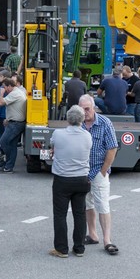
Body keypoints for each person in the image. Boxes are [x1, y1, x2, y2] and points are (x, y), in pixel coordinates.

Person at [49, 105, 91, 258]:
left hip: (63, 179)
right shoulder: (87, 136)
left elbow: (53, 145)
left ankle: (62, 249)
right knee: (80, 214)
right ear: (82, 119)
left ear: (67, 118)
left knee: (60, 214)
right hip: (82, 179)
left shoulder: (58, 134)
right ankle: (79, 248)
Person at [80, 95, 119, 255]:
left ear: (94, 107)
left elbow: (112, 148)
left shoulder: (104, 123)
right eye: (81, 109)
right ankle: (93, 234)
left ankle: (107, 240)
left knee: (102, 204)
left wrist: (104, 170)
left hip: (98, 170)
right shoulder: (78, 123)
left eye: (87, 109)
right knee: (87, 204)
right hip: (82, 171)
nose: (84, 112)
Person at [0, 77, 27, 173]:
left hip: (15, 124)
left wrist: (1, 93)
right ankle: (9, 167)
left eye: (5, 87)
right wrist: (8, 119)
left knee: (3, 142)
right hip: (16, 122)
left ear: (10, 86)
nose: (4, 89)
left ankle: (7, 162)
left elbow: (0, 103)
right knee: (12, 145)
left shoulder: (14, 93)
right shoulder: (18, 92)